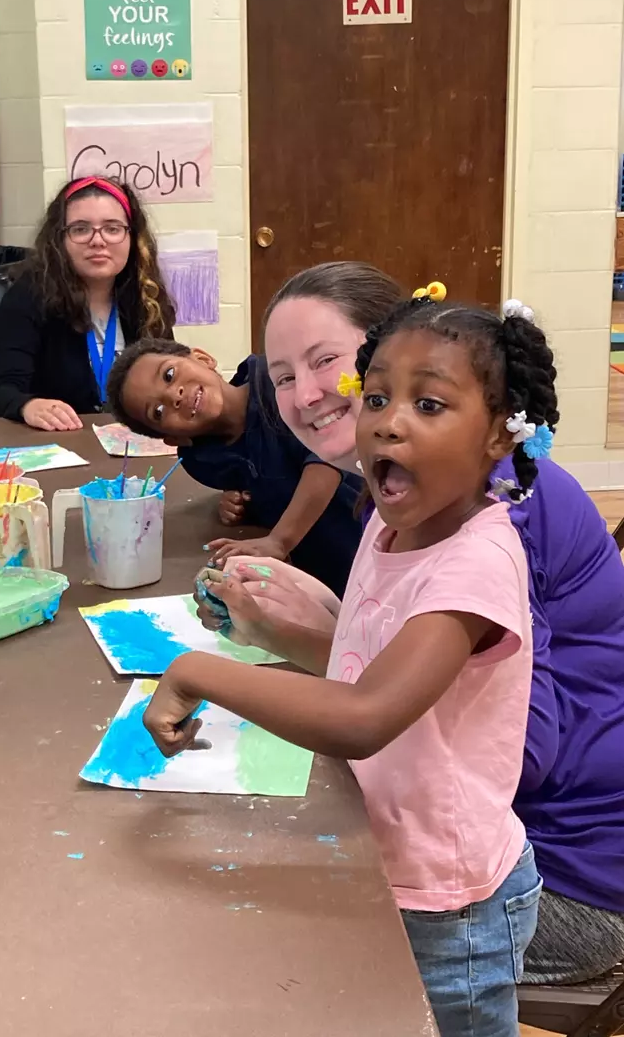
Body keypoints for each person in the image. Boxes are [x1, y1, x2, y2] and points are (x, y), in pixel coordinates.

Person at [195, 264, 624, 989]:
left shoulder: (494, 510)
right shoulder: (396, 492)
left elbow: (511, 748)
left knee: (276, 949)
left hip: (559, 873)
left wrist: (304, 649)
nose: (306, 395)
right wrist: (309, 628)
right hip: (488, 843)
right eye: (283, 376)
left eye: (325, 361)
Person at [144, 296, 561, 1035]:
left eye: (427, 404)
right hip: (383, 860)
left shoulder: (475, 565)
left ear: (499, 431)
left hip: (449, 904)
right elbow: (365, 662)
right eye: (374, 398)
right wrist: (268, 632)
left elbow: (365, 716)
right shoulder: (391, 522)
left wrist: (196, 673)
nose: (387, 423)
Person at [106, 291, 404, 596]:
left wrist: (279, 541)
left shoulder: (276, 386)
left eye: (169, 375)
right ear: (173, 438)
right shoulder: (202, 460)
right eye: (157, 412)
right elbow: (264, 481)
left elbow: (323, 465)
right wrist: (238, 504)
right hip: (315, 568)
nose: (174, 396)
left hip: (373, 539)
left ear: (203, 359)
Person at [0, 176, 175, 430]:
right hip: (61, 442)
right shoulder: (27, 296)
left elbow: (170, 376)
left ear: (132, 238)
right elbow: (1, 392)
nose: (97, 241)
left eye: (112, 228)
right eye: (80, 229)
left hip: (135, 442)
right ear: (59, 240)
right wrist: (27, 406)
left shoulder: (146, 295)